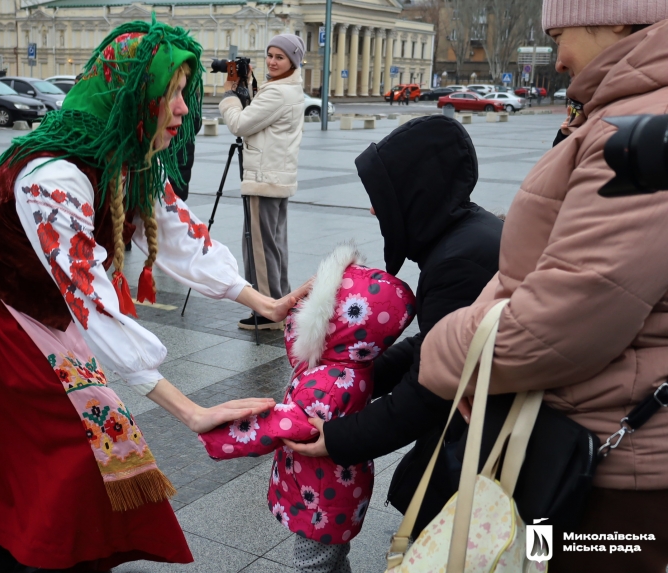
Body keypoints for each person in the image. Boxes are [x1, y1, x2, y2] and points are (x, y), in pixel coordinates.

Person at [0, 21, 308, 573]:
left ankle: (15, 536)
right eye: (171, 94)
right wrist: (190, 410)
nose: (182, 110)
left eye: (184, 94)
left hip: (31, 293)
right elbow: (90, 299)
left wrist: (266, 304)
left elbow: (181, 237)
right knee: (4, 423)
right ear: (132, 98)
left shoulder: (132, 154)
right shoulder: (52, 174)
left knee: (54, 427)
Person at [417, 5, 668, 572]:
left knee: (569, 560)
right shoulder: (619, 115)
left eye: (562, 35)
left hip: (610, 479)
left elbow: (559, 323)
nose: (558, 58)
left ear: (622, 22)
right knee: (536, 559)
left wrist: (441, 346)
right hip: (581, 446)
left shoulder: (638, 127)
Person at [284, 116, 503, 533]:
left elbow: (430, 389)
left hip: (484, 443)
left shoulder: (457, 260)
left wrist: (336, 438)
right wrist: (359, 374)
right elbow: (434, 345)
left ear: (414, 195)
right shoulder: (467, 235)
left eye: (382, 196)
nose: (373, 208)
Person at [198, 243, 415, 573]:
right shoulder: (352, 362)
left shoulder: (326, 385)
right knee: (333, 558)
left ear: (332, 324)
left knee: (311, 565)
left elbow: (277, 425)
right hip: (337, 492)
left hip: (322, 499)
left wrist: (218, 435)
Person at [220, 33, 306, 330]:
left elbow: (240, 124)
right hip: (276, 177)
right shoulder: (289, 88)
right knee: (273, 244)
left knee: (259, 246)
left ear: (292, 60)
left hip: (263, 178)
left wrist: (230, 95)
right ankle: (281, 301)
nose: (272, 61)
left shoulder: (277, 92)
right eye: (270, 55)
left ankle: (268, 311)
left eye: (280, 57)